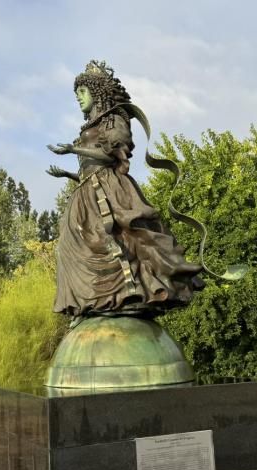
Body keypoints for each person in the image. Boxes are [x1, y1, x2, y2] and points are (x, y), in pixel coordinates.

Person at [46, 60, 204, 318]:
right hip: (87, 193)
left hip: (109, 189)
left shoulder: (114, 118)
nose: (78, 99)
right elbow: (89, 170)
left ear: (97, 92)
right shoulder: (91, 126)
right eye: (76, 95)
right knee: (69, 245)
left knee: (110, 240)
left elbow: (111, 157)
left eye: (82, 92)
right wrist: (67, 173)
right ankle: (90, 305)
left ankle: (127, 295)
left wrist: (73, 149)